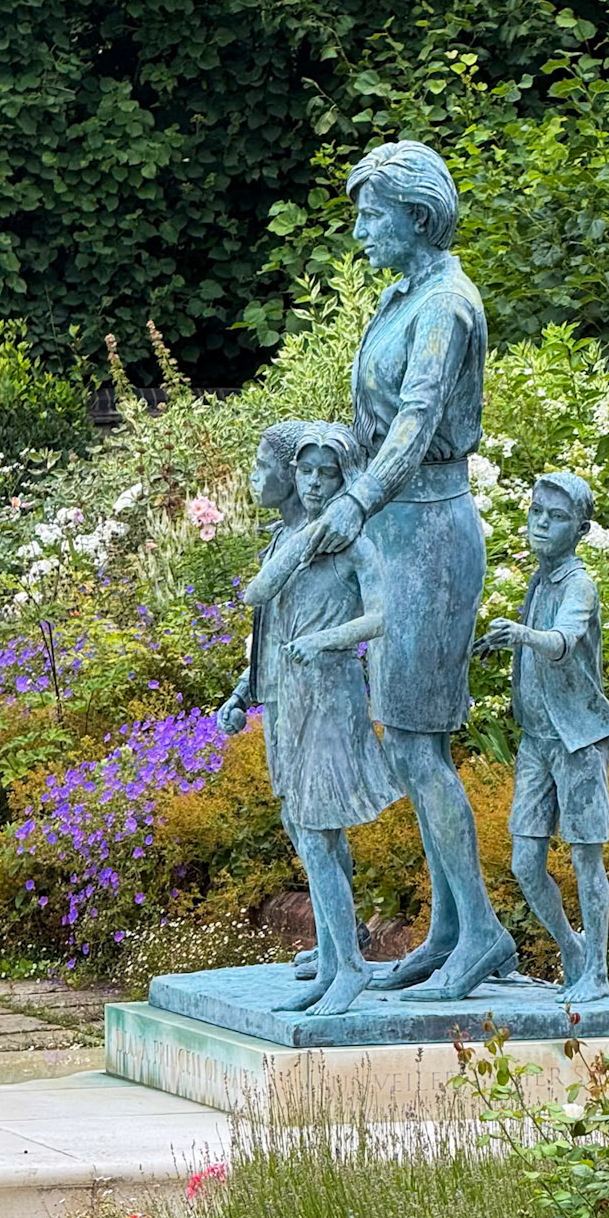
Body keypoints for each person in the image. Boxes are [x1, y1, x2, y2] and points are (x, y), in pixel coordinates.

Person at [300, 140, 515, 1001]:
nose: (358, 232)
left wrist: (355, 503)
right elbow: (376, 418)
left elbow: (417, 421)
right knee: (407, 737)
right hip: (397, 532)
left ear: (417, 220)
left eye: (370, 216)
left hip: (429, 535)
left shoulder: (446, 307)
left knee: (421, 746)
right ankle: (448, 933)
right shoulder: (407, 296)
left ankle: (482, 935)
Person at [241, 422, 401, 1016]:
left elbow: (382, 617)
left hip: (331, 699)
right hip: (287, 701)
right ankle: (333, 961)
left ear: (345, 478)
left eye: (326, 474)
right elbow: (265, 611)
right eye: (305, 471)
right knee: (303, 833)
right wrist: (243, 694)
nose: (312, 483)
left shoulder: (354, 543)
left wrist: (331, 640)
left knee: (318, 832)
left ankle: (350, 968)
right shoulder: (290, 538)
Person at [474, 470, 609, 1004]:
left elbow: (562, 642)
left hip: (578, 740)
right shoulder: (540, 579)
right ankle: (572, 946)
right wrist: (497, 645)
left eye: (556, 517)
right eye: (536, 511)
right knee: (523, 862)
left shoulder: (578, 584)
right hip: (538, 740)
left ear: (580, 530)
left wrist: (521, 636)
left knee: (586, 857)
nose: (540, 523)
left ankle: (599, 975)